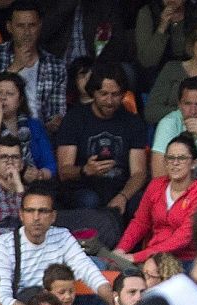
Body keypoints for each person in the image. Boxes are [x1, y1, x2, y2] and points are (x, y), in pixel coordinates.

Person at [53, 62, 148, 219]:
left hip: (120, 188)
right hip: (83, 189)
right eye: (103, 94)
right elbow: (64, 171)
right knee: (90, 200)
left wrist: (123, 196)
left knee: (138, 203)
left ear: (124, 94)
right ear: (93, 92)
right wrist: (85, 170)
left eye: (115, 94)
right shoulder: (75, 119)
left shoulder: (133, 122)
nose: (109, 101)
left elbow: (139, 173)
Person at [113, 134, 197, 267]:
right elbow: (140, 222)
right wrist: (120, 250)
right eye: (170, 158)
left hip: (186, 261)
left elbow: (183, 238)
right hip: (153, 258)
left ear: (194, 163)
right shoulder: (156, 185)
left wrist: (136, 257)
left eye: (181, 158)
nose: (175, 163)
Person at [0, 4, 68, 134]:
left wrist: (55, 122)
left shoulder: (55, 66)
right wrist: (15, 67)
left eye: (32, 25)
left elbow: (56, 112)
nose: (27, 32)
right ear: (9, 27)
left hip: (38, 135)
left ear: (40, 26)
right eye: (20, 26)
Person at [0, 73, 53, 181]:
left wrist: (39, 174)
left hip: (32, 185)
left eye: (10, 94)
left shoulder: (34, 125)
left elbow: (50, 165)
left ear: (20, 100)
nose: (3, 98)